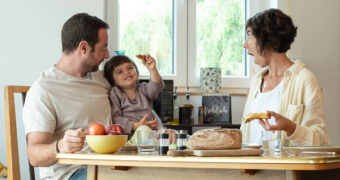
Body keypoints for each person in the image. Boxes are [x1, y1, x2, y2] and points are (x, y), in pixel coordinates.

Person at [23, 13, 111, 180]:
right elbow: (34, 155)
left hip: (110, 166)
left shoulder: (102, 79)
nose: (106, 55)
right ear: (84, 48)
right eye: (103, 48)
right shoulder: (43, 90)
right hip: (71, 173)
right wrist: (60, 145)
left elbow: (135, 101)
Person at [241, 9, 330, 147]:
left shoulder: (305, 79)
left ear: (267, 39)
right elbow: (244, 134)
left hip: (284, 168)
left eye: (249, 36)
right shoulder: (256, 81)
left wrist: (291, 128)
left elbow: (321, 140)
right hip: (250, 168)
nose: (245, 44)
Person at [103, 54, 176, 139]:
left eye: (130, 68)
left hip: (152, 134)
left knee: (174, 134)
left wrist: (152, 69)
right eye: (120, 72)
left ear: (136, 72)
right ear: (112, 80)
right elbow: (116, 119)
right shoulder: (115, 93)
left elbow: (157, 86)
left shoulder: (143, 88)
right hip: (131, 137)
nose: (127, 72)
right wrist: (137, 125)